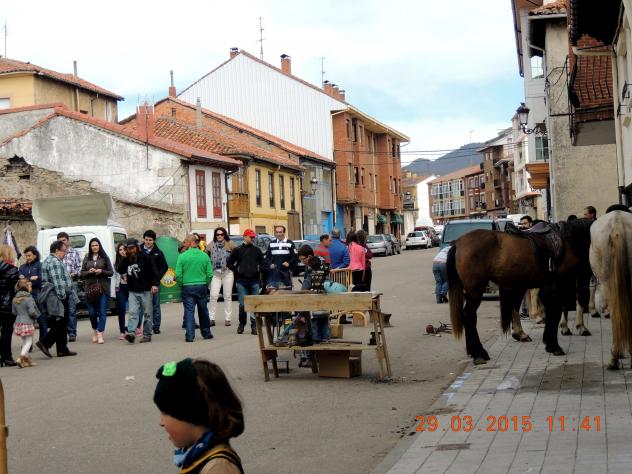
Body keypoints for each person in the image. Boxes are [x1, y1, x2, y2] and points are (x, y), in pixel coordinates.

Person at [153, 358, 244, 473]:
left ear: (190, 415)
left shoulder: (218, 467)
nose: (161, 422)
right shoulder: (199, 454)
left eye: (165, 412)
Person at [37, 240, 77, 358]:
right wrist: (63, 296)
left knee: (61, 322)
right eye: (64, 251)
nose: (65, 253)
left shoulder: (48, 260)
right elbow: (58, 282)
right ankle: (45, 343)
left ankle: (62, 349)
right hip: (58, 295)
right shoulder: (54, 262)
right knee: (61, 321)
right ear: (56, 250)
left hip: (53, 295)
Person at [176, 234, 213, 342]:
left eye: (186, 242)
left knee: (189, 311)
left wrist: (181, 285)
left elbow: (178, 275)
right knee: (203, 310)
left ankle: (190, 335)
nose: (184, 244)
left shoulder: (182, 256)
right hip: (201, 285)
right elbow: (209, 274)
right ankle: (206, 333)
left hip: (187, 286)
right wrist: (206, 284)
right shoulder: (204, 256)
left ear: (191, 243)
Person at [227, 229, 264, 335]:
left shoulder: (257, 250)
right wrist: (237, 270)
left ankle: (254, 325)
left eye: (253, 237)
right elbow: (229, 263)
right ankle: (242, 324)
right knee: (242, 305)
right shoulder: (237, 250)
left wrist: (258, 270)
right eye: (250, 237)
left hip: (254, 281)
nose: (252, 239)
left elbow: (263, 264)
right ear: (244, 237)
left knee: (254, 304)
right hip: (242, 281)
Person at [122, 239, 160, 344]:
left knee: (147, 314)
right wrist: (123, 258)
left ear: (137, 247)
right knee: (133, 313)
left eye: (132, 248)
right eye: (128, 249)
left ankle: (147, 335)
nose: (130, 250)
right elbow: (120, 269)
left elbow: (154, 271)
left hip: (146, 291)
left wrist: (155, 284)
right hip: (133, 291)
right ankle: (131, 333)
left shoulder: (146, 257)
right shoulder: (127, 259)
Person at [80, 237, 113, 344]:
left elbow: (111, 272)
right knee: (92, 313)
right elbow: (82, 273)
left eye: (96, 245)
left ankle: (100, 333)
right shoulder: (87, 257)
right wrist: (89, 272)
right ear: (90, 247)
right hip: (90, 289)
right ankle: (95, 330)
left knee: (102, 311)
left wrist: (101, 271)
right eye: (92, 245)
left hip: (103, 288)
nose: (94, 247)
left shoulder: (104, 257)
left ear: (99, 246)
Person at [297, 245, 330, 343]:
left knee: (315, 328)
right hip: (324, 304)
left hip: (314, 305)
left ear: (309, 257)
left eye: (303, 259)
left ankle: (316, 347)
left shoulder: (311, 272)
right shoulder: (322, 267)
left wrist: (301, 313)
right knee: (324, 326)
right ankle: (326, 345)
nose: (302, 262)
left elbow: (304, 290)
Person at [206, 227, 235, 327]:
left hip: (227, 272)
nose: (219, 236)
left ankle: (228, 319)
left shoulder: (230, 244)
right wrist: (209, 267)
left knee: (227, 296)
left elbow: (237, 255)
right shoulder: (211, 244)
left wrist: (233, 266)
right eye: (217, 234)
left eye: (221, 234)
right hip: (215, 273)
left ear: (224, 235)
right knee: (213, 296)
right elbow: (206, 256)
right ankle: (211, 318)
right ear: (215, 235)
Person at [142, 230, 169, 335]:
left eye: (150, 240)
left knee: (155, 306)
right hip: (142, 284)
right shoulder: (139, 250)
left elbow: (164, 267)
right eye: (146, 240)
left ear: (154, 241)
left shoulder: (158, 252)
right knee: (143, 306)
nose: (148, 242)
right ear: (144, 239)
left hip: (155, 283)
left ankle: (156, 326)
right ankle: (142, 326)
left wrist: (157, 279)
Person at [56, 232, 81, 342]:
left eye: (64, 240)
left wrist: (74, 273)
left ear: (68, 240)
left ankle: (72, 333)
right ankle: (62, 333)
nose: (62, 242)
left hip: (71, 283)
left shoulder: (74, 252)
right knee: (61, 310)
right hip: (59, 284)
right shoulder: (56, 254)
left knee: (71, 309)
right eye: (60, 241)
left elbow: (79, 267)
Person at [19, 246, 45, 338]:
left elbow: (41, 279)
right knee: (27, 321)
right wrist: (31, 279)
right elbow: (21, 282)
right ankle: (28, 343)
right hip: (25, 296)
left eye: (29, 255)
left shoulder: (40, 265)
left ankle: (43, 341)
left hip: (37, 294)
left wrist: (28, 279)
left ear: (35, 255)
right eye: (26, 256)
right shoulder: (22, 267)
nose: (27, 258)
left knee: (41, 319)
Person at [12, 279, 40, 368]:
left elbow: (14, 312)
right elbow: (32, 312)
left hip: (18, 323)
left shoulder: (15, 299)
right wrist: (36, 316)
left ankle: (26, 360)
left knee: (24, 341)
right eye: (30, 286)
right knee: (29, 341)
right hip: (27, 322)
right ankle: (21, 358)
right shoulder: (29, 299)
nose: (31, 288)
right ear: (26, 287)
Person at [0, 245, 19, 366]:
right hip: (7, 306)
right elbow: (15, 290)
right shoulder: (13, 270)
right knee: (6, 331)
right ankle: (6, 357)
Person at [113, 242, 129, 340]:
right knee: (121, 309)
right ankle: (122, 331)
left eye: (124, 249)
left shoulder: (131, 260)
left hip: (131, 287)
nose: (122, 251)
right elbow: (116, 276)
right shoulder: (116, 262)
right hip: (120, 287)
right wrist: (115, 290)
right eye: (120, 250)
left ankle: (135, 327)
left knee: (134, 309)